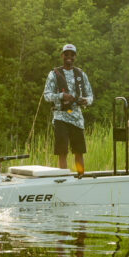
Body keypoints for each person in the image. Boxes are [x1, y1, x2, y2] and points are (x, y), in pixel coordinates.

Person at [43, 43, 94, 175]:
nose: (69, 57)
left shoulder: (81, 74)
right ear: (62, 56)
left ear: (75, 57)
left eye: (72, 55)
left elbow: (90, 97)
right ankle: (63, 178)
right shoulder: (54, 74)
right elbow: (47, 96)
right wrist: (61, 96)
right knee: (62, 151)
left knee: (79, 151)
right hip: (60, 116)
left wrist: (85, 101)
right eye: (66, 54)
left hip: (77, 118)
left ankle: (80, 176)